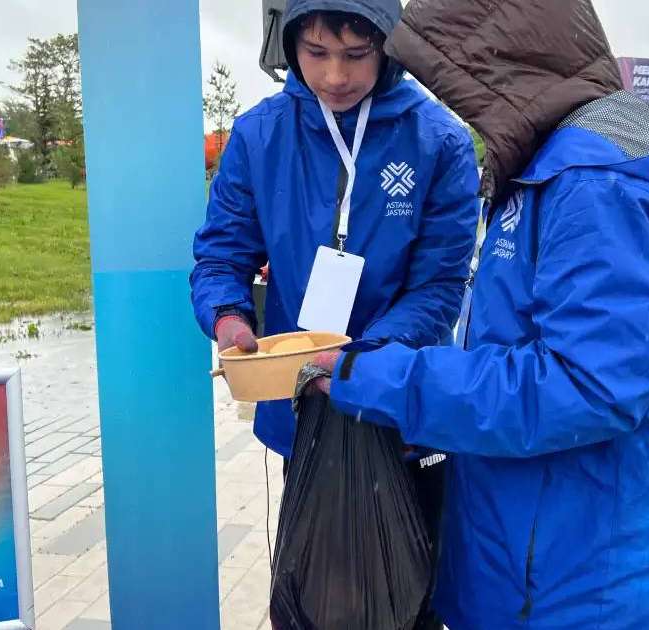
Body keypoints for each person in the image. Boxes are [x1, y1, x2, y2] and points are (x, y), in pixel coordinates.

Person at [305, 1, 649, 626]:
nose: (467, 112)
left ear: (507, 71)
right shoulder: (558, 166)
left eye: (465, 89)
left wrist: (377, 379)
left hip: (589, 573)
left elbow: (587, 385)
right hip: (546, 540)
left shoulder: (593, 186)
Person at [190, 1, 478, 623]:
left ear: (390, 46)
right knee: (317, 589)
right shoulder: (260, 135)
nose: (335, 76)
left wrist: (358, 365)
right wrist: (228, 316)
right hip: (305, 406)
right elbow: (221, 253)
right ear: (290, 44)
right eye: (316, 53)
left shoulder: (440, 141)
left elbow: (440, 285)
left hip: (406, 407)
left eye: (356, 54)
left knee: (407, 589)